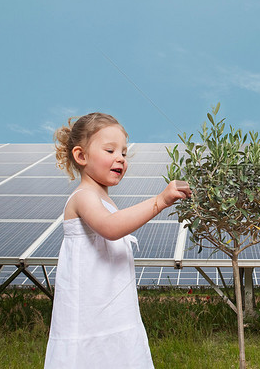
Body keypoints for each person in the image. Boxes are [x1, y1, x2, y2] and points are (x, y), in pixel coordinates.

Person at [44, 112, 191, 368]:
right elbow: (111, 228)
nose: (120, 158)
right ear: (81, 156)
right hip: (89, 319)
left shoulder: (105, 201)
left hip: (114, 315)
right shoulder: (83, 197)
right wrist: (161, 200)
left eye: (123, 152)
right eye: (110, 150)